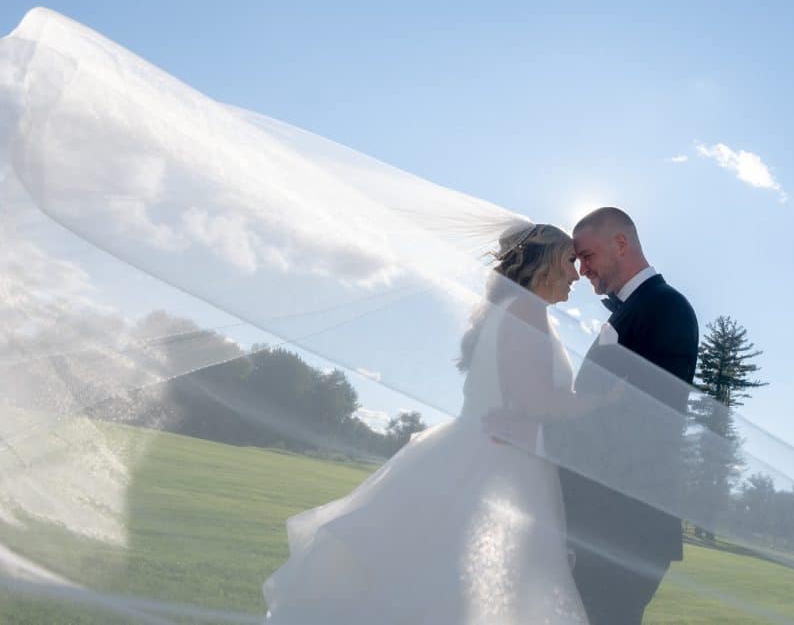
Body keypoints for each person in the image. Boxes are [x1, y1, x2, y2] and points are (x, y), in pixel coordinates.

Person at [262, 223, 596, 624]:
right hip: (500, 469)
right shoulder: (528, 310)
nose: (576, 274)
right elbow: (533, 399)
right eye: (570, 261)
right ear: (544, 263)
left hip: (477, 455)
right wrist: (601, 403)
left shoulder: (510, 311)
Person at [487, 207, 698, 625]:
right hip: (595, 524)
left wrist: (539, 438)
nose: (581, 270)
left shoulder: (665, 309)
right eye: (576, 260)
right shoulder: (631, 311)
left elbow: (642, 427)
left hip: (626, 530)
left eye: (587, 256)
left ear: (621, 243)